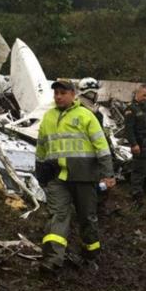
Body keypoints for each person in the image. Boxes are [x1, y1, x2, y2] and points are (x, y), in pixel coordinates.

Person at [36, 80, 115, 272]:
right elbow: (41, 147)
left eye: (63, 93)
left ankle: (90, 256)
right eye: (56, 93)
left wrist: (107, 174)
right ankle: (53, 259)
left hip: (84, 177)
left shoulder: (86, 116)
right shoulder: (48, 117)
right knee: (58, 215)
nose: (58, 96)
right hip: (58, 177)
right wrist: (40, 173)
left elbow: (101, 147)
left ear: (73, 94)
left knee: (87, 218)